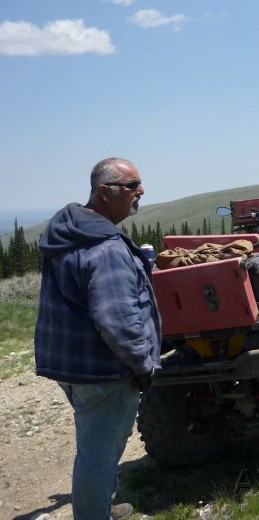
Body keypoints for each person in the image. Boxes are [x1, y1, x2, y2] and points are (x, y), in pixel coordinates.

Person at [35, 158, 162, 520]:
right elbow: (118, 323)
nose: (141, 191)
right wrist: (143, 365)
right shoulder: (107, 249)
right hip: (104, 370)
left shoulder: (69, 231)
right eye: (132, 184)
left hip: (70, 364)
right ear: (104, 192)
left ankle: (101, 505)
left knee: (95, 443)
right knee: (99, 452)